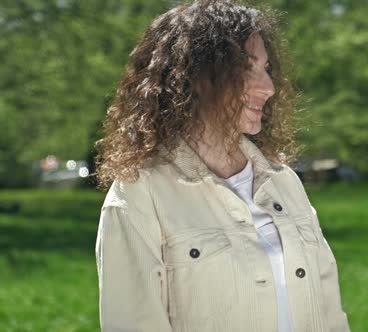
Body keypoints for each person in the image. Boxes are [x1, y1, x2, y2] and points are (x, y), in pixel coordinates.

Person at [94, 1, 350, 331]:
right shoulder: (139, 196)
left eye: (267, 69)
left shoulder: (284, 183)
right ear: (195, 76)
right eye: (248, 68)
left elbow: (330, 313)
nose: (268, 88)